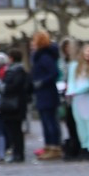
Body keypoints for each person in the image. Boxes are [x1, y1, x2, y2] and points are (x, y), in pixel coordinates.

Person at [30, 30, 63, 160]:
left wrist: (42, 82)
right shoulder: (40, 56)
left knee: (50, 122)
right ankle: (49, 146)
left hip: (47, 93)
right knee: (45, 121)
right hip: (43, 93)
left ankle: (54, 147)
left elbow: (54, 73)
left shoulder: (44, 57)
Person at [66, 41, 89, 160]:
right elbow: (71, 81)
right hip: (76, 99)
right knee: (80, 123)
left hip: (87, 97)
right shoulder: (74, 66)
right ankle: (84, 146)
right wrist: (70, 91)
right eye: (87, 50)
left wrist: (77, 91)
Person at [0, 49, 32, 163]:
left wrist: (2, 88)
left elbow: (11, 87)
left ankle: (18, 154)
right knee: (16, 130)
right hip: (18, 104)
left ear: (12, 58)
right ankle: (18, 153)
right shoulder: (21, 70)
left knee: (15, 131)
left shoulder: (15, 71)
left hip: (13, 105)